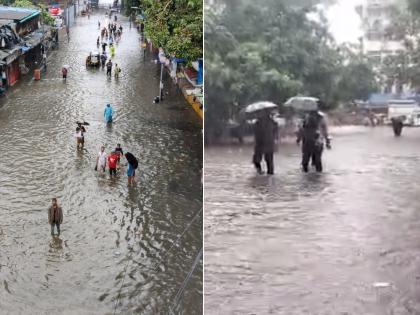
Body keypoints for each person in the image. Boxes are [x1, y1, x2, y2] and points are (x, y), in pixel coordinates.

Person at [252, 110, 278, 175]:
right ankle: (265, 174)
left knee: (261, 160)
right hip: (266, 143)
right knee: (266, 161)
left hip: (263, 143)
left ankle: (261, 173)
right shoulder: (273, 122)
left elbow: (256, 133)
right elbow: (275, 133)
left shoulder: (259, 123)